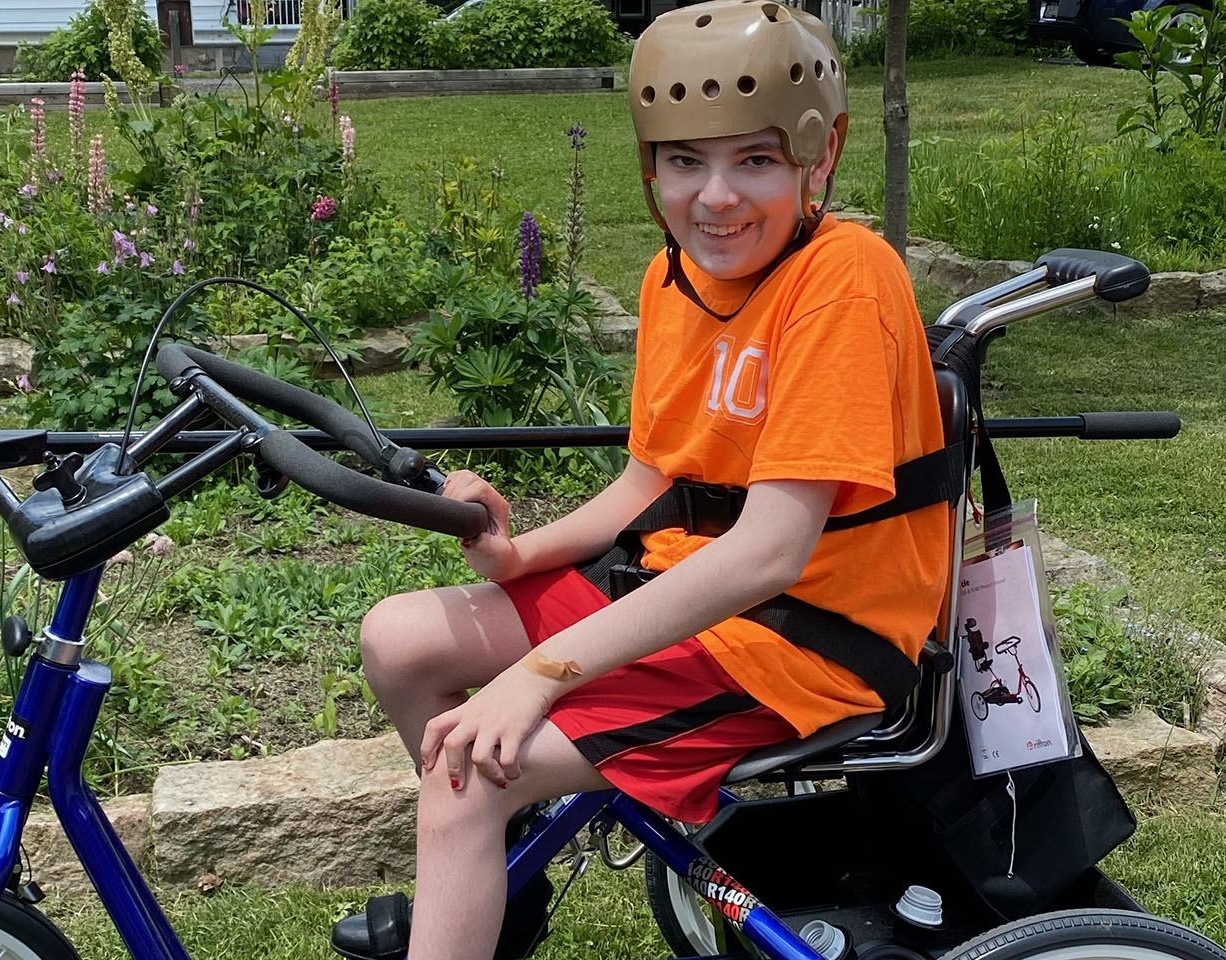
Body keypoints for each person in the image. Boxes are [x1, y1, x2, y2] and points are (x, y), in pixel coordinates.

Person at [332, 2, 952, 958]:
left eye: (756, 161)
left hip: (803, 644)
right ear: (650, 167)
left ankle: (475, 858)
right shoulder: (674, 279)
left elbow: (770, 552)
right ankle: (501, 891)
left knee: (464, 774)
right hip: (686, 597)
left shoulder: (843, 278)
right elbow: (649, 484)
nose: (716, 198)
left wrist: (537, 678)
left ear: (818, 158)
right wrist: (517, 550)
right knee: (399, 639)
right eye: (683, 162)